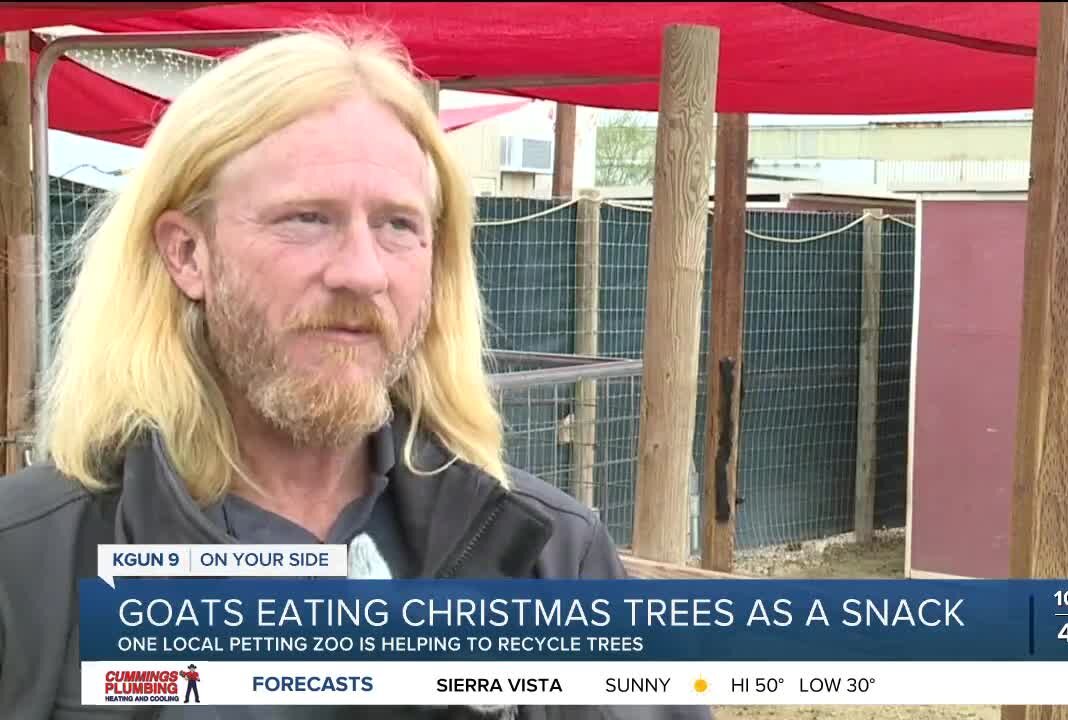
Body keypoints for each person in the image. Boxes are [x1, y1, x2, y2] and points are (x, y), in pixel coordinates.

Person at [0, 26, 710, 720]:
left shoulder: (552, 556)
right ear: (188, 255)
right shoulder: (26, 565)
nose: (362, 273)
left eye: (399, 226)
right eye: (307, 218)